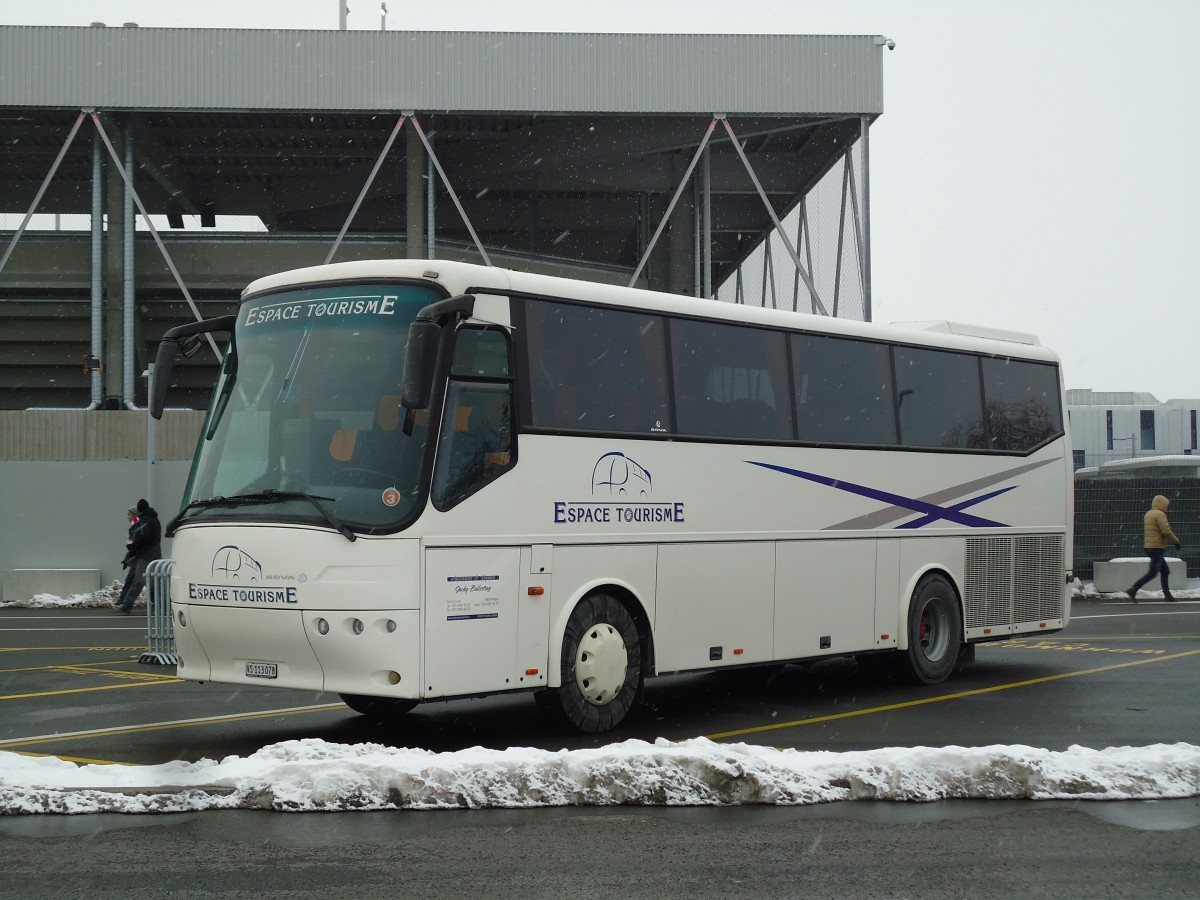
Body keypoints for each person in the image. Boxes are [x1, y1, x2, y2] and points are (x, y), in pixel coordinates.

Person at [1127, 494, 1182, 603]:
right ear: (1161, 504)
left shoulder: (1149, 513)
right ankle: (1133, 589)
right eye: (1165, 505)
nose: (1166, 508)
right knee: (1153, 573)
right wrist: (1176, 541)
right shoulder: (1160, 514)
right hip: (1157, 547)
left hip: (1149, 546)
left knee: (1165, 571)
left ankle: (1167, 595)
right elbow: (1166, 531)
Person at [114, 499, 162, 614]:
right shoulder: (155, 520)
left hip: (145, 554)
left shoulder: (143, 520)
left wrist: (133, 545)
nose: (127, 517)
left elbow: (141, 536)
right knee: (152, 582)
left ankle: (126, 605)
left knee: (138, 581)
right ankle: (160, 606)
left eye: (129, 514)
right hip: (154, 553)